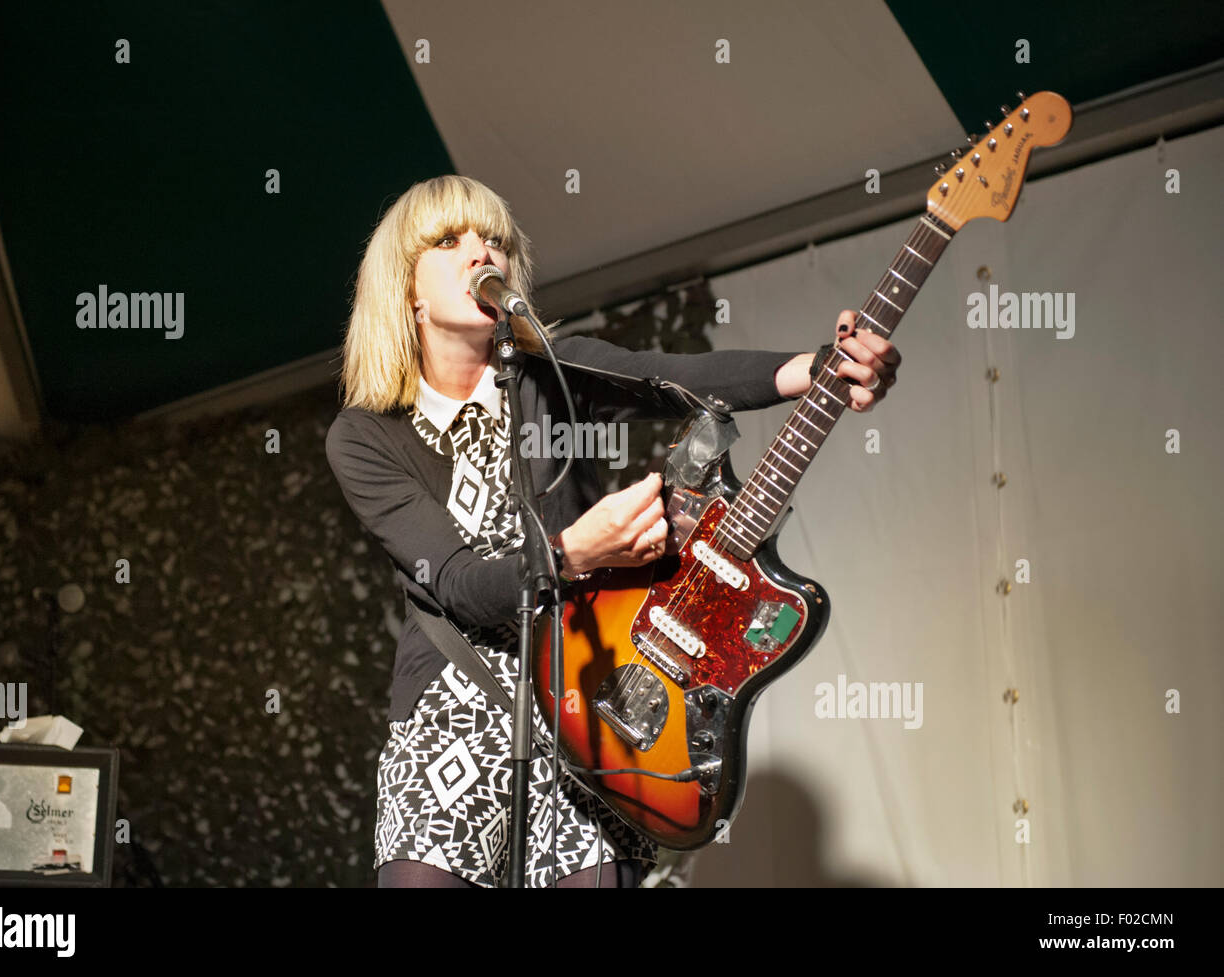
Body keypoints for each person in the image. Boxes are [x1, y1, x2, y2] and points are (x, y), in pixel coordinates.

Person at [325, 175, 900, 888]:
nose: (483, 254)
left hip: (593, 703)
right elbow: (460, 587)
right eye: (449, 241)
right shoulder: (365, 436)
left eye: (495, 241)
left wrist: (817, 369)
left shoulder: (550, 376)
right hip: (452, 716)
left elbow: (675, 376)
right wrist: (573, 552)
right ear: (406, 289)